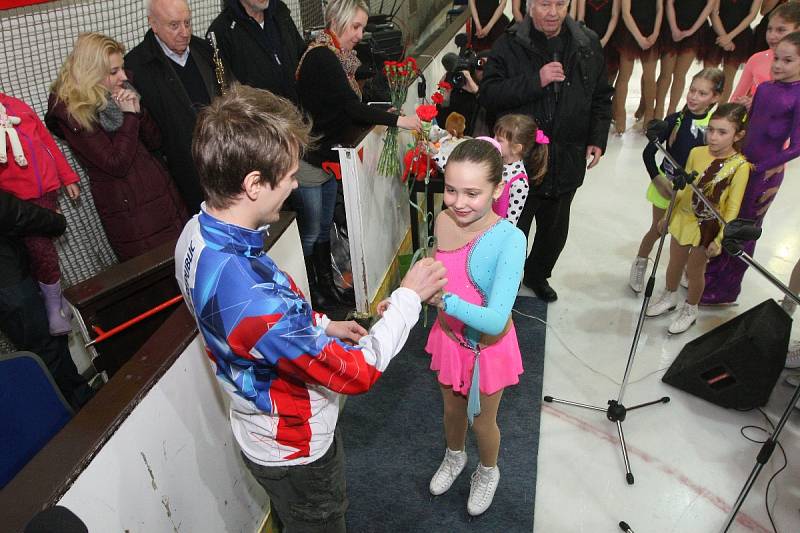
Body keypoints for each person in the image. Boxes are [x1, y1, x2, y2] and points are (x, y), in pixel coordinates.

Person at [175, 83, 447, 532]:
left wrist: (322, 326)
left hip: (262, 430)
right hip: (294, 449)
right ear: (252, 185)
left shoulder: (198, 232)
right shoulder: (250, 299)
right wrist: (408, 298)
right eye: (287, 174)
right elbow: (357, 373)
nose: (295, 182)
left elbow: (264, 326)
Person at [479, 0, 614, 302]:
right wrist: (535, 81)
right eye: (544, 4)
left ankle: (538, 274)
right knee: (514, 228)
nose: (553, 12)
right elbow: (489, 94)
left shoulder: (586, 42)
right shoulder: (509, 44)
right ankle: (506, 281)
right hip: (521, 160)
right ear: (528, 6)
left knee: (554, 231)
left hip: (568, 155)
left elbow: (602, 96)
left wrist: (597, 137)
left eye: (560, 3)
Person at [420, 138, 526, 516]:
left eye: (472, 193)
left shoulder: (511, 240)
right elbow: (438, 272)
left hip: (487, 350)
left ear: (497, 190)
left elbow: (496, 317)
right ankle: (454, 455)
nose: (459, 202)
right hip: (449, 338)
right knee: (451, 411)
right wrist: (408, 295)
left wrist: (440, 300)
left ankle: (487, 470)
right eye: (451, 190)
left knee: (482, 422)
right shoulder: (445, 219)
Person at [295, 0, 421, 312]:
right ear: (337, 22)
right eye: (356, 27)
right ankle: (315, 292)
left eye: (362, 27)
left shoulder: (338, 56)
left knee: (323, 227)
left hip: (324, 156)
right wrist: (397, 120)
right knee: (312, 231)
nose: (360, 35)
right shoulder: (323, 57)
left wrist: (379, 110)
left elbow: (344, 107)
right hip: (309, 158)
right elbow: (349, 108)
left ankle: (328, 288)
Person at [46, 33, 187, 262]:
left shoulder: (122, 89)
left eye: (121, 68)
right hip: (129, 211)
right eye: (114, 72)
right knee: (156, 276)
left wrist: (138, 110)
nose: (123, 76)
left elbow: (154, 141)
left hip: (160, 194)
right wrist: (130, 116)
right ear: (91, 72)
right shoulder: (73, 112)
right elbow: (116, 163)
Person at [702, 31, 800, 304]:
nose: (778, 65)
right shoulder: (766, 88)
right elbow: (749, 128)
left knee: (743, 231)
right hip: (742, 164)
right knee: (726, 218)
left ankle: (727, 289)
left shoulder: (798, 96)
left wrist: (762, 166)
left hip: (764, 173)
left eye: (788, 60)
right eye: (776, 58)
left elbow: (797, 145)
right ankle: (711, 275)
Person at [646, 103, 750, 334]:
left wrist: (721, 239)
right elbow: (683, 189)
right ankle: (669, 295)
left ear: (738, 135)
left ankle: (690, 309)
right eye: (710, 130)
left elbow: (732, 208)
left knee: (695, 272)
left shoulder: (740, 167)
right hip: (684, 218)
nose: (713, 137)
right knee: (674, 263)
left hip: (709, 227)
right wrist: (669, 215)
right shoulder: (696, 153)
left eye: (722, 132)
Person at [125, 0, 230, 213]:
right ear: (152, 24)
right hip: (183, 174)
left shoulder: (205, 50)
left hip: (225, 158)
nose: (184, 32)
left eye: (187, 23)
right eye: (174, 25)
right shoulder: (136, 67)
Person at [629, 68, 724, 293]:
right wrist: (658, 179)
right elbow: (648, 154)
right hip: (668, 187)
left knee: (689, 234)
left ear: (716, 98)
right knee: (658, 229)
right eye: (692, 90)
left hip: (696, 192)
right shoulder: (674, 120)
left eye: (702, 93)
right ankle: (640, 262)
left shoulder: (716, 126)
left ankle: (684, 270)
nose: (694, 97)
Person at [0, 190, 93, 410]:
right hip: (9, 282)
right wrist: (54, 221)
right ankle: (75, 417)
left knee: (50, 344)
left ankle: (82, 401)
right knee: (46, 352)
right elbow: (12, 212)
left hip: (10, 279)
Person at [0, 92, 79, 336]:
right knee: (40, 250)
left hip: (46, 189)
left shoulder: (15, 105)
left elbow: (47, 142)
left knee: (44, 249)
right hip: (19, 200)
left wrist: (67, 177)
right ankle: (54, 305)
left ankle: (54, 300)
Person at [431, 114, 549, 227]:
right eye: (494, 136)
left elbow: (511, 221)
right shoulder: (490, 159)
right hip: (470, 223)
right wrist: (435, 154)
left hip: (489, 233)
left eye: (499, 139)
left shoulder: (519, 182)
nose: (493, 140)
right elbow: (458, 171)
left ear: (516, 148)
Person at [206, 0, 305, 103]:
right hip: (260, 115)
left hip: (296, 111)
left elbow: (301, 54)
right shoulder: (221, 32)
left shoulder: (280, 12)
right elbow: (225, 91)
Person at [729, 1, 800, 107]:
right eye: (769, 29)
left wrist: (759, 103)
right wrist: (743, 104)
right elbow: (735, 100)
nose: (772, 36)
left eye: (781, 30)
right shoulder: (757, 59)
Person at [654, 0, 715, 119]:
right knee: (666, 73)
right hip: (672, 25)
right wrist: (674, 28)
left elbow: (709, 7)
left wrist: (692, 31)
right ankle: (658, 109)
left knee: (680, 74)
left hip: (695, 29)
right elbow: (669, 3)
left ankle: (672, 112)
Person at [611, 0, 663, 134]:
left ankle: (649, 113)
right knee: (624, 75)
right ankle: (620, 113)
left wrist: (656, 33)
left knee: (650, 76)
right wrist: (639, 38)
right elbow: (626, 13)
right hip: (630, 32)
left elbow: (659, 8)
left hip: (651, 30)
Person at [701, 0, 761, 104]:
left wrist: (729, 37)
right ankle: (702, 107)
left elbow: (752, 15)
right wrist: (723, 36)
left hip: (740, 35)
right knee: (707, 74)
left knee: (728, 78)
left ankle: (720, 111)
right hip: (718, 31)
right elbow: (714, 12)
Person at [576, 0, 621, 83]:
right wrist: (589, 40)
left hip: (609, 40)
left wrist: (605, 39)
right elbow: (580, 18)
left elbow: (615, 16)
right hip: (588, 41)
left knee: (608, 78)